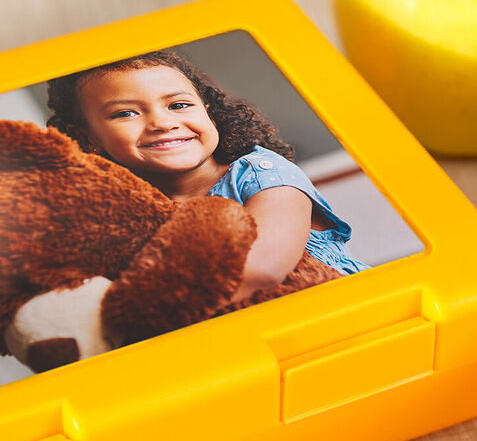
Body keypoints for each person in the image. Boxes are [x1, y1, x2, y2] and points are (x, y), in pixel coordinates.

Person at [46, 50, 366, 303]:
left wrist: (140, 312)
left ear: (209, 114)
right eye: (125, 113)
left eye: (179, 105)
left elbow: (261, 269)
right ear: (87, 138)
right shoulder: (128, 212)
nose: (162, 122)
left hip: (347, 316)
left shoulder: (264, 174)